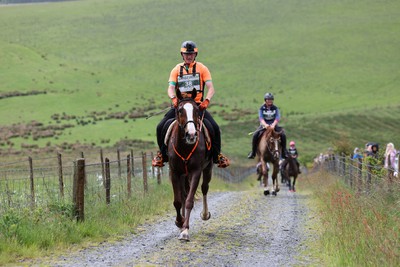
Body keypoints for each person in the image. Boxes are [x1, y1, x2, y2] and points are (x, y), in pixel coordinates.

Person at [152, 40, 229, 168]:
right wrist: (173, 98)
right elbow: (170, 87)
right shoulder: (176, 69)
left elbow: (211, 88)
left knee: (214, 127)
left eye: (191, 54)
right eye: (186, 54)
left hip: (197, 106)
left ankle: (217, 156)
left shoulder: (202, 68)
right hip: (180, 106)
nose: (189, 56)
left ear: (195, 55)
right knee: (161, 126)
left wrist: (207, 101)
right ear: (182, 55)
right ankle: (162, 155)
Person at [247, 92, 288, 159]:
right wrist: (265, 125)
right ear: (265, 100)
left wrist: (273, 125)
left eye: (271, 99)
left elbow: (277, 117)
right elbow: (261, 118)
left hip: (273, 125)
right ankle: (253, 152)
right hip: (264, 125)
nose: (270, 101)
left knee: (283, 135)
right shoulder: (261, 108)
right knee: (255, 135)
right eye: (268, 99)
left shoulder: (275, 108)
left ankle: (284, 152)